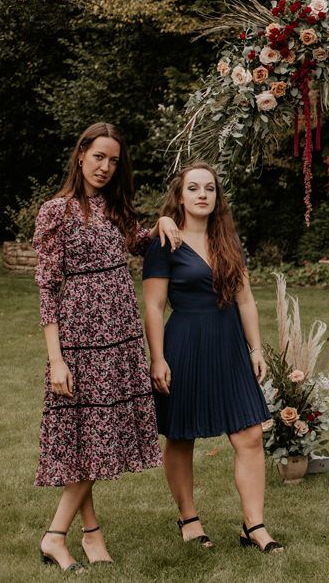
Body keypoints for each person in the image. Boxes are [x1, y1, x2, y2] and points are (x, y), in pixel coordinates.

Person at [33, 122, 180, 571]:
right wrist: (56, 359)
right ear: (81, 155)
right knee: (92, 437)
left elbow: (139, 242)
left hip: (121, 336)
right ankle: (55, 536)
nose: (105, 167)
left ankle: (91, 531)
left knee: (93, 437)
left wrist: (163, 220)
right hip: (81, 339)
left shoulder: (114, 208)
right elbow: (46, 288)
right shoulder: (56, 211)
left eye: (114, 161)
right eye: (99, 157)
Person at [142, 162, 283, 553]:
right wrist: (157, 358)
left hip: (229, 343)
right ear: (181, 195)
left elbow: (246, 300)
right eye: (193, 188)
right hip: (183, 343)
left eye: (209, 188)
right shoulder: (164, 242)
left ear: (217, 197)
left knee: (250, 434)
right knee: (181, 435)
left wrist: (256, 349)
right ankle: (188, 518)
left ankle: (253, 526)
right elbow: (153, 306)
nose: (202, 194)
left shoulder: (229, 242)